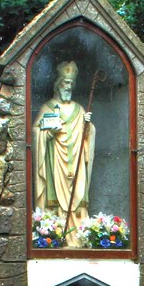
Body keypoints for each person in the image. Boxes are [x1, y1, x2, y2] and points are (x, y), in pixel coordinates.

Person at [33, 61, 95, 247]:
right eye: (65, 82)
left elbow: (87, 137)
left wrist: (88, 127)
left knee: (78, 194)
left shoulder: (79, 109)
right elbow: (35, 132)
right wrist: (47, 133)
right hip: (55, 160)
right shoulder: (48, 107)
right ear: (58, 83)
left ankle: (80, 237)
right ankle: (55, 234)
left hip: (76, 160)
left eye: (71, 83)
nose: (68, 86)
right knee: (56, 199)